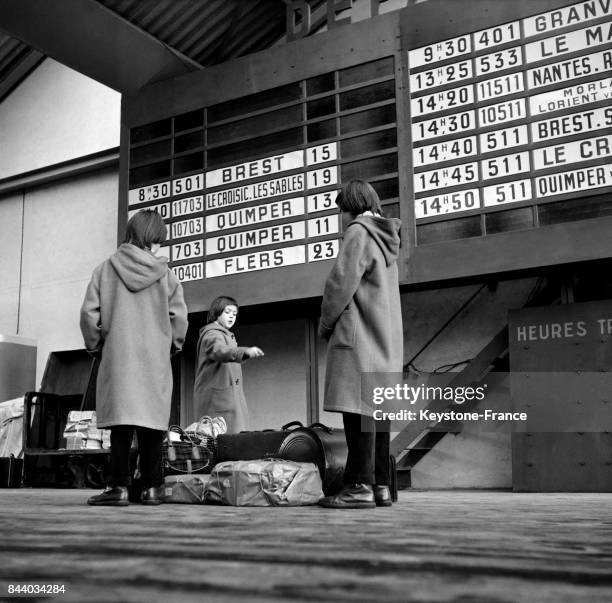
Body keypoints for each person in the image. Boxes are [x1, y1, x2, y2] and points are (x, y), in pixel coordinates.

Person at [80, 210, 188, 506]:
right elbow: (179, 318)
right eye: (160, 242)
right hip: (154, 359)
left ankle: (119, 488)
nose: (161, 248)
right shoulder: (166, 276)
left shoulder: (105, 269)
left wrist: (97, 347)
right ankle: (152, 489)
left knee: (121, 426)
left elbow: (89, 316)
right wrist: (171, 346)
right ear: (152, 240)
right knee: (152, 425)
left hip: (118, 358)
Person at [317, 179, 403, 509]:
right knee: (376, 416)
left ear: (351, 206)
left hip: (360, 337)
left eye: (342, 209)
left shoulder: (359, 231)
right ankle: (380, 486)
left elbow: (340, 283)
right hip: (385, 339)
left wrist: (326, 325)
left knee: (357, 414)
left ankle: (357, 487)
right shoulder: (387, 239)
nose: (341, 217)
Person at [193, 296, 264, 434]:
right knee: (220, 445)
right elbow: (220, 350)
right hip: (218, 403)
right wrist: (245, 351)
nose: (232, 316)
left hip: (225, 401)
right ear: (217, 312)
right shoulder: (212, 334)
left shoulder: (223, 334)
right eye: (227, 312)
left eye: (234, 314)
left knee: (228, 444)